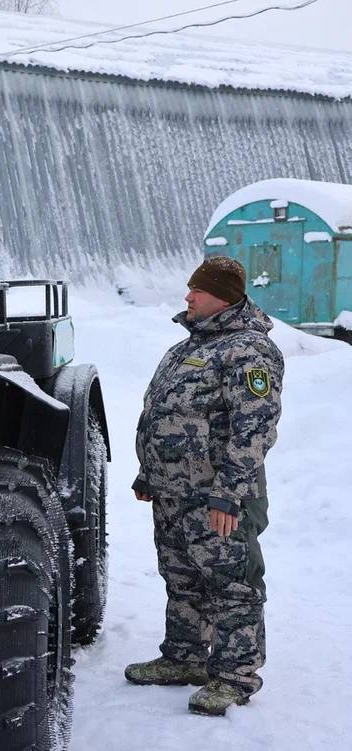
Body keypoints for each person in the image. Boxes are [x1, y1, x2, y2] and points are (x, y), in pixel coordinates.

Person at [125, 256, 283, 717]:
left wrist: (229, 493)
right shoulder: (186, 348)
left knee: (232, 584)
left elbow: (254, 427)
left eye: (197, 290)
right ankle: (185, 659)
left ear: (224, 297)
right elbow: (163, 414)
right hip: (175, 492)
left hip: (219, 496)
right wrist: (148, 472)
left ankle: (235, 676)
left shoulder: (248, 350)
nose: (188, 297)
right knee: (182, 578)